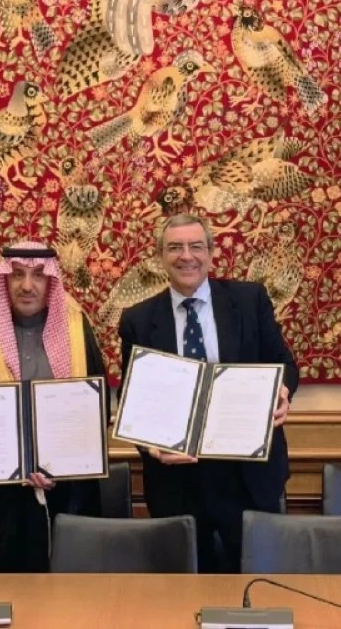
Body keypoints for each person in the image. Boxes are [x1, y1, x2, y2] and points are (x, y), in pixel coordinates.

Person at [117, 214, 297, 573]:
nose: (187, 256)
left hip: (248, 479)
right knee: (182, 592)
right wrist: (150, 446)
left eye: (196, 246)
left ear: (212, 253)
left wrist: (283, 390)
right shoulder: (138, 320)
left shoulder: (250, 300)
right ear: (160, 257)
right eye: (175, 248)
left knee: (257, 585)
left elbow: (284, 364)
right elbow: (131, 398)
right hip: (177, 484)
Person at [0, 241, 109, 573]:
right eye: (18, 275)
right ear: (5, 281)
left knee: (70, 590)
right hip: (3, 502)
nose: (27, 286)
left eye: (38, 275)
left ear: (51, 281)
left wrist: (61, 466)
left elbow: (96, 415)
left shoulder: (78, 334)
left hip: (68, 494)